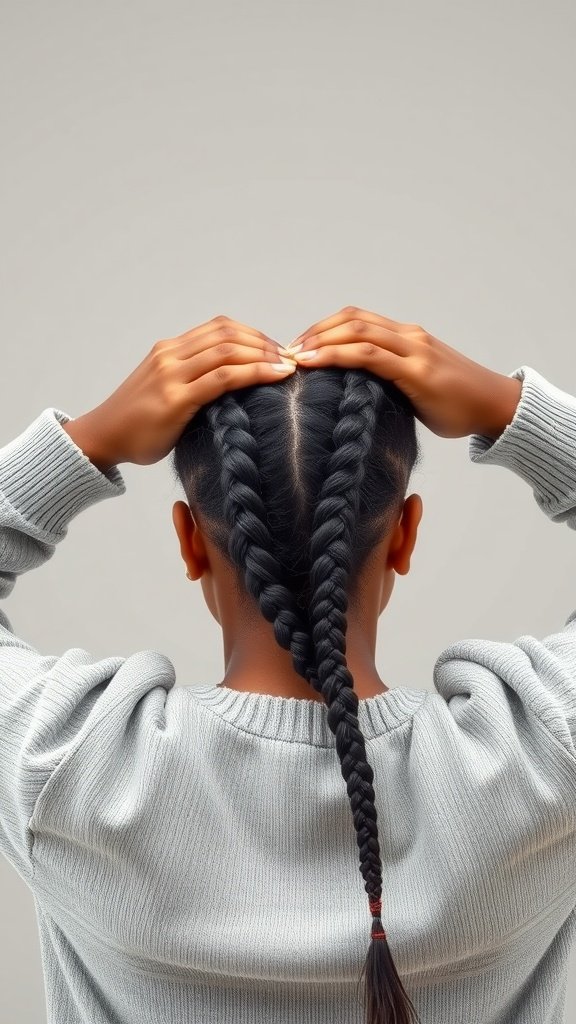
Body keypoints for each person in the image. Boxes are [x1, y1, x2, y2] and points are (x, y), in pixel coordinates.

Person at [0, 306, 574, 1024]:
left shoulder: (68, 763)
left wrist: (90, 440)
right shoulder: (542, 758)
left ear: (189, 541)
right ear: (406, 535)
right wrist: (507, 405)